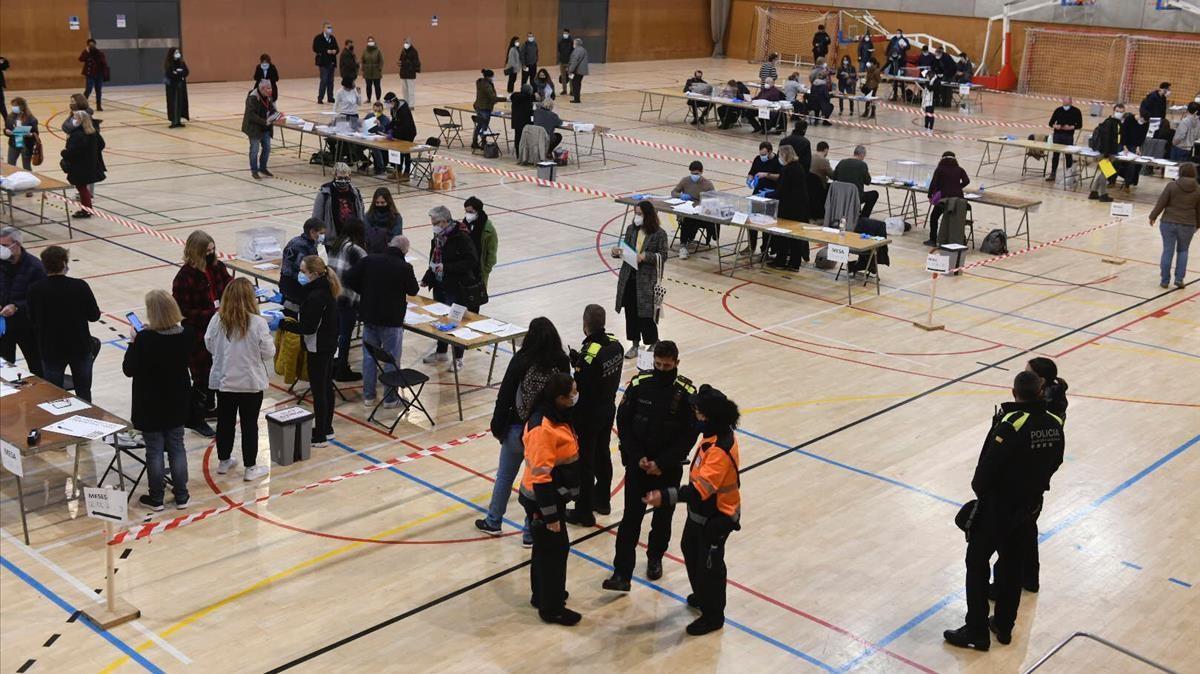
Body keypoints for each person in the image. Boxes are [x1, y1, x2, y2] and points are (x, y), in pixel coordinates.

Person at [944, 371, 1064, 651]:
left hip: (999, 507)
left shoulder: (1012, 422)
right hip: (1030, 506)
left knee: (976, 564)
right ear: (1040, 391)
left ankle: (976, 630)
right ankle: (1004, 626)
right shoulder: (1055, 423)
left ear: (1014, 393)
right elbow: (1056, 460)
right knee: (1012, 567)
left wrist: (984, 493)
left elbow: (987, 467)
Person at [643, 384, 742, 636]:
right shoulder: (711, 437)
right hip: (700, 515)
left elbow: (699, 490)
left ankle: (713, 616)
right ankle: (703, 596)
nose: (695, 415)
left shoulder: (720, 449)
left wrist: (664, 496)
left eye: (699, 411)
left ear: (710, 417)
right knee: (691, 550)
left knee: (710, 567)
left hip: (717, 518)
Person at [602, 340, 698, 591]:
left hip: (668, 468)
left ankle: (655, 557)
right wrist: (638, 458)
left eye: (667, 366)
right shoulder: (638, 385)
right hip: (639, 466)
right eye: (658, 365)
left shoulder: (686, 393)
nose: (662, 369)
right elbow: (623, 423)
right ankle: (622, 573)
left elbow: (688, 436)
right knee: (630, 520)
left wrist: (662, 463)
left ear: (677, 363)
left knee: (663, 518)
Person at [476, 316, 570, 544]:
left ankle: (494, 521)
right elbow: (566, 398)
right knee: (536, 482)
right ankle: (530, 533)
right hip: (544, 432)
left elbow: (505, 394)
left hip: (516, 428)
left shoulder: (521, 359)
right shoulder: (561, 362)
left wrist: (498, 426)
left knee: (505, 477)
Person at [520, 371, 584, 625]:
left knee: (545, 551)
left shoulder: (557, 416)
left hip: (551, 496)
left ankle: (543, 595)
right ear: (559, 398)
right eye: (572, 395)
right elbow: (541, 476)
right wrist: (551, 517)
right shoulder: (542, 429)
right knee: (554, 553)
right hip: (542, 500)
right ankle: (552, 608)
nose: (575, 398)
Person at [124, 290, 192, 510]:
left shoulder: (145, 339)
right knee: (177, 446)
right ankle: (182, 495)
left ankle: (157, 498)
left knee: (154, 450)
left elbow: (129, 369)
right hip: (177, 400)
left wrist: (133, 342)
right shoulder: (185, 334)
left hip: (150, 403)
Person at [205, 278, 275, 481]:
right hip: (250, 383)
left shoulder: (217, 319)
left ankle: (224, 461)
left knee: (225, 422)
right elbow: (268, 352)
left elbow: (208, 343)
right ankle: (250, 467)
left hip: (224, 381)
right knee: (249, 424)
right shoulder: (258, 322)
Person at [343, 235, 419, 409]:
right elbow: (413, 290)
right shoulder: (404, 267)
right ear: (405, 251)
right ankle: (390, 399)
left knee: (369, 357)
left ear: (389, 245)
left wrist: (364, 291)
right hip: (392, 320)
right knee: (391, 359)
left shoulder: (370, 260)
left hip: (369, 316)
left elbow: (347, 277)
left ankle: (368, 396)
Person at [564, 305, 624, 525]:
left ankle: (584, 512)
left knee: (586, 463)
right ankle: (602, 501)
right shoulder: (616, 345)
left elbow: (581, 385)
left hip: (589, 414)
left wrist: (577, 365)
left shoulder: (589, 354)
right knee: (602, 454)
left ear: (585, 324)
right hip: (608, 408)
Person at [172, 230, 230, 437]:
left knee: (218, 370)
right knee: (201, 377)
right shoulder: (184, 277)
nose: (211, 255)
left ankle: (209, 407)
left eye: (213, 250)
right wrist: (211, 314)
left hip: (221, 329)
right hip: (197, 333)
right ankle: (195, 418)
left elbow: (229, 288)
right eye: (207, 251)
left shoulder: (218, 267)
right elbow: (181, 311)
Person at [280, 256, 339, 447]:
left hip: (319, 347)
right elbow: (303, 300)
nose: (300, 274)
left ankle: (320, 435)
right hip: (328, 344)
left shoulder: (317, 295)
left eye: (303, 271)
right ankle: (326, 428)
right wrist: (282, 299)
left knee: (319, 390)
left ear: (313, 274)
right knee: (326, 387)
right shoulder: (320, 288)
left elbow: (308, 327)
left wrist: (282, 324)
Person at [27, 245, 99, 400]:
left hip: (50, 349)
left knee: (55, 395)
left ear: (44, 265)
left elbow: (32, 320)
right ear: (64, 263)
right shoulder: (80, 286)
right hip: (79, 348)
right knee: (84, 393)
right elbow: (94, 316)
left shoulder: (35, 289)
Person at [420, 205, 481, 370]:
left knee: (455, 322)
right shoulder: (438, 236)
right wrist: (428, 277)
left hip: (456, 287)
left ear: (445, 221)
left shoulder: (461, 237)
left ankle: (459, 358)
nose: (433, 225)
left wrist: (447, 267)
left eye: (435, 222)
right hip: (440, 285)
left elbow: (471, 261)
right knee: (441, 320)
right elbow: (434, 259)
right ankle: (441, 352)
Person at [613, 202, 667, 357]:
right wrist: (617, 252)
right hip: (629, 276)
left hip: (646, 280)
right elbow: (626, 249)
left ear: (648, 215)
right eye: (636, 213)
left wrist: (645, 256)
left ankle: (653, 341)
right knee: (630, 312)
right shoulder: (631, 229)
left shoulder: (659, 233)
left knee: (646, 313)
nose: (637, 217)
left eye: (640, 214)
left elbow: (663, 255)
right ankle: (634, 344)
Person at [0, 227, 46, 375]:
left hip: (28, 327)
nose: (1, 250)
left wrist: (17, 306)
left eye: (5, 246)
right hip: (4, 326)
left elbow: (40, 299)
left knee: (37, 366)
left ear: (17, 244)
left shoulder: (35, 267)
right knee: (5, 366)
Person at [327, 219, 367, 382]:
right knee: (345, 335)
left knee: (335, 333)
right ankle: (342, 368)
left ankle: (333, 366)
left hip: (333, 294)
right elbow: (366, 271)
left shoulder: (335, 247)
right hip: (348, 298)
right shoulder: (355, 250)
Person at [1148, 162, 1199, 290]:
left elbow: (1161, 203)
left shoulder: (1172, 186)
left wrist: (1153, 216)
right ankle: (1179, 279)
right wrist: (1198, 224)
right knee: (1183, 251)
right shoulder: (1198, 189)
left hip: (1168, 222)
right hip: (1188, 224)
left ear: (1180, 172)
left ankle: (1165, 280)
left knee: (1167, 250)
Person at [768, 144, 811, 271]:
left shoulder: (787, 169)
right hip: (800, 207)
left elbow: (781, 191)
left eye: (780, 155)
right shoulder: (798, 167)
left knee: (783, 235)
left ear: (785, 155)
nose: (779, 158)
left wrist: (767, 195)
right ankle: (794, 263)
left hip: (789, 208)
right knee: (795, 237)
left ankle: (780, 261)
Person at [60, 110, 106, 219]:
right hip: (90, 163)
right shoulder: (93, 132)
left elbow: (73, 151)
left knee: (82, 188)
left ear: (80, 120)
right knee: (83, 187)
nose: (73, 120)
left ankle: (86, 211)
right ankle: (87, 209)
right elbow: (102, 145)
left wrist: (64, 153)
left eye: (75, 118)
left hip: (79, 166)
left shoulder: (77, 134)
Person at [925, 151, 971, 246]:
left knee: (934, 217)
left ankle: (933, 239)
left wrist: (930, 195)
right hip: (958, 201)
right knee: (956, 220)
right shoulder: (959, 169)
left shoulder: (940, 169)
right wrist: (958, 187)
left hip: (944, 200)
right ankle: (960, 239)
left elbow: (933, 183)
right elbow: (967, 181)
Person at [672, 161, 716, 259]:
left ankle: (689, 239)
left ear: (701, 172)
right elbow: (674, 192)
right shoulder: (685, 180)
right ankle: (683, 246)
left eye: (696, 174)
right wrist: (681, 195)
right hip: (687, 209)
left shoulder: (708, 184)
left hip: (700, 211)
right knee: (687, 220)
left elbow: (714, 199)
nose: (694, 176)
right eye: (692, 173)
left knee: (692, 221)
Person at [281, 218, 325, 315]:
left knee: (290, 313)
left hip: (287, 282)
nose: (323, 236)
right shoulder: (304, 247)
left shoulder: (296, 240)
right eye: (321, 233)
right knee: (293, 314)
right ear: (312, 232)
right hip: (295, 286)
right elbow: (306, 270)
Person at [312, 163, 364, 239]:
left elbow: (361, 212)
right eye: (340, 178)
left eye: (345, 178)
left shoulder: (355, 192)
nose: (343, 181)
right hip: (334, 238)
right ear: (334, 176)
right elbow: (317, 216)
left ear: (349, 176)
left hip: (353, 236)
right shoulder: (325, 193)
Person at [1088, 104, 1126, 203]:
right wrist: (1106, 154)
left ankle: (1094, 192)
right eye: (1118, 111)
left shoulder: (1118, 123)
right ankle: (1103, 194)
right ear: (1113, 111)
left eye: (1122, 112)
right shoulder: (1109, 123)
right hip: (1106, 152)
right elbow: (1106, 139)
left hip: (1112, 151)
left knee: (1104, 173)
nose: (1119, 113)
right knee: (1106, 173)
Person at [242, 79, 279, 180]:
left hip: (265, 127)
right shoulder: (252, 98)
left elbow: (272, 109)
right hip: (254, 128)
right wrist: (264, 121)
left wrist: (276, 115)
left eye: (270, 88)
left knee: (267, 148)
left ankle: (263, 168)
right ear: (262, 89)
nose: (270, 90)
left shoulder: (268, 97)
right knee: (254, 150)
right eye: (268, 88)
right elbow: (251, 115)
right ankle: (254, 171)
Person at [832, 144, 879, 218]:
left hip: (841, 196)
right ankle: (863, 217)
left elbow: (834, 177)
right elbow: (868, 182)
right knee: (874, 194)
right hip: (855, 197)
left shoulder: (842, 162)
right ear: (862, 154)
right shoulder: (862, 165)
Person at [463, 196, 498, 291]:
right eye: (466, 211)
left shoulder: (488, 230)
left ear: (478, 211)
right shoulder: (464, 225)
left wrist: (486, 270)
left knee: (476, 298)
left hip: (479, 270)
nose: (467, 214)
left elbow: (492, 252)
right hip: (465, 268)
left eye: (470, 212)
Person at [1046, 97, 1082, 183]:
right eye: (1063, 102)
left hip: (1068, 136)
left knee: (1068, 155)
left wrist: (1071, 127)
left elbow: (1079, 125)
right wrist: (1056, 126)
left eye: (1066, 102)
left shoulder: (1076, 111)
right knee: (1056, 155)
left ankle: (1069, 175)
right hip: (1057, 135)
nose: (1064, 104)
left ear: (1071, 102)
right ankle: (1053, 173)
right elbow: (1051, 123)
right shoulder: (1058, 110)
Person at [383, 92, 417, 179]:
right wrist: (386, 128)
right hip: (400, 132)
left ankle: (406, 173)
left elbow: (404, 126)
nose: (388, 106)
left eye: (388, 103)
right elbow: (394, 120)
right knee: (398, 152)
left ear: (393, 101)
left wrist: (393, 133)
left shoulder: (403, 109)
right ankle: (398, 171)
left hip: (409, 132)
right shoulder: (393, 108)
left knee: (405, 152)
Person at [5, 96, 38, 171]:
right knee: (10, 165)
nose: (13, 108)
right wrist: (6, 132)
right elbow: (7, 128)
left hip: (26, 145)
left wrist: (30, 135)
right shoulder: (10, 117)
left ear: (21, 106)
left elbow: (35, 133)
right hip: (14, 144)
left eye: (15, 106)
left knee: (26, 167)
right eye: (13, 106)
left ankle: (29, 181)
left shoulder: (31, 119)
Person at [365, 187, 402, 251]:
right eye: (377, 203)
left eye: (382, 203)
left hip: (390, 249)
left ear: (388, 202)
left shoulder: (396, 217)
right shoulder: (368, 216)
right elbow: (367, 234)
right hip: (372, 249)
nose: (379, 205)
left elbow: (396, 235)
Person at [473, 69, 502, 150]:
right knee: (484, 127)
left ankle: (474, 141)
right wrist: (505, 99)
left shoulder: (480, 82)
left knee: (478, 125)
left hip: (478, 106)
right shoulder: (487, 85)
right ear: (489, 77)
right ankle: (483, 142)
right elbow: (492, 97)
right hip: (485, 108)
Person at [313, 23, 339, 104]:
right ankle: (320, 97)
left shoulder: (332, 38)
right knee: (324, 80)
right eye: (328, 27)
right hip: (323, 63)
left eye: (330, 27)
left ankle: (330, 97)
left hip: (332, 62)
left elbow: (337, 48)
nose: (330, 29)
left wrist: (335, 51)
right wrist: (326, 51)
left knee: (331, 81)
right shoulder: (318, 38)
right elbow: (315, 48)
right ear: (324, 28)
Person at [79, 39, 108, 111]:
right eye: (90, 45)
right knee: (88, 90)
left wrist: (104, 74)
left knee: (98, 90)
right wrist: (86, 52)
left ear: (95, 45)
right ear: (88, 45)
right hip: (90, 75)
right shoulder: (86, 52)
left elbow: (104, 63)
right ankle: (83, 106)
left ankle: (99, 106)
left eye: (93, 44)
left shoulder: (100, 52)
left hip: (99, 75)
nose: (91, 46)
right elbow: (81, 59)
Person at [164, 48, 189, 128]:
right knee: (173, 103)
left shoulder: (181, 63)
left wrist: (177, 73)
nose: (178, 53)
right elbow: (170, 74)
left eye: (178, 52)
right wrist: (178, 74)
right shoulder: (168, 64)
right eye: (176, 52)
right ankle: (173, 121)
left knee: (180, 103)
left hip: (180, 86)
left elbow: (186, 72)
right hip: (172, 87)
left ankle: (178, 121)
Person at [365, 101, 391, 175]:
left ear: (382, 110)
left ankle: (380, 167)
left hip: (380, 141)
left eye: (379, 111)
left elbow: (386, 132)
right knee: (355, 146)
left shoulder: (386, 119)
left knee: (375, 148)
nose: (377, 112)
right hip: (368, 138)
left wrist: (379, 126)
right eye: (375, 111)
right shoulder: (369, 116)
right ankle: (365, 161)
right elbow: (363, 125)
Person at [807, 60, 834, 126]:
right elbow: (827, 96)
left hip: (812, 103)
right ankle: (825, 121)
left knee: (817, 104)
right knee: (830, 106)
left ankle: (816, 120)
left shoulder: (813, 84)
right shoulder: (824, 86)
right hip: (821, 104)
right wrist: (832, 95)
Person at [510, 84, 535, 149]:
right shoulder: (527, 99)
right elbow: (530, 112)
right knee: (524, 138)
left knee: (517, 137)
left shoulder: (515, 96)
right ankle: (523, 152)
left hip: (516, 121)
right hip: (525, 122)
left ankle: (518, 152)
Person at [397, 39, 420, 106]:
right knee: (404, 90)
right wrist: (400, 63)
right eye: (405, 42)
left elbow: (416, 63)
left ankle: (411, 105)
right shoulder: (403, 51)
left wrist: (406, 63)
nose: (405, 44)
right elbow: (401, 59)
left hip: (410, 74)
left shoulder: (414, 52)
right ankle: (406, 104)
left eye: (407, 43)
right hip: (403, 73)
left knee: (411, 90)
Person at [361, 36, 383, 102]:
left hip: (376, 71)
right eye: (369, 41)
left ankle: (378, 99)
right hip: (367, 72)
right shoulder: (365, 51)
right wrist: (363, 68)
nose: (370, 42)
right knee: (368, 86)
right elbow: (363, 60)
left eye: (372, 41)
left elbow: (381, 60)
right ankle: (368, 99)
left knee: (377, 86)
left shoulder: (378, 51)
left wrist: (380, 68)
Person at [567, 38, 589, 104]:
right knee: (578, 84)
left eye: (574, 43)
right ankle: (577, 98)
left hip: (577, 70)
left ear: (576, 43)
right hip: (581, 70)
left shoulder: (577, 50)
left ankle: (576, 99)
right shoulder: (583, 50)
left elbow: (575, 61)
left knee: (575, 84)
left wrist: (570, 70)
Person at [557, 29, 574, 95]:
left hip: (569, 62)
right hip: (562, 62)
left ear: (569, 34)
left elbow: (573, 52)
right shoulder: (560, 42)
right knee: (563, 77)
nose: (565, 34)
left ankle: (572, 90)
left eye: (566, 33)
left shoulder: (571, 42)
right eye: (564, 33)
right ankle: (564, 90)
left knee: (570, 77)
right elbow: (559, 51)